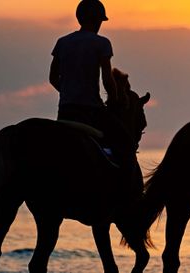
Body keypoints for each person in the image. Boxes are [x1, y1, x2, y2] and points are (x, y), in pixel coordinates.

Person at [49, 0, 131, 165]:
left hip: (65, 111)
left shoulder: (62, 42)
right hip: (91, 111)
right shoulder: (102, 43)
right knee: (123, 141)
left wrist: (68, 92)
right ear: (98, 20)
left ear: (79, 18)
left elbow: (52, 78)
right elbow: (107, 79)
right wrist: (114, 101)